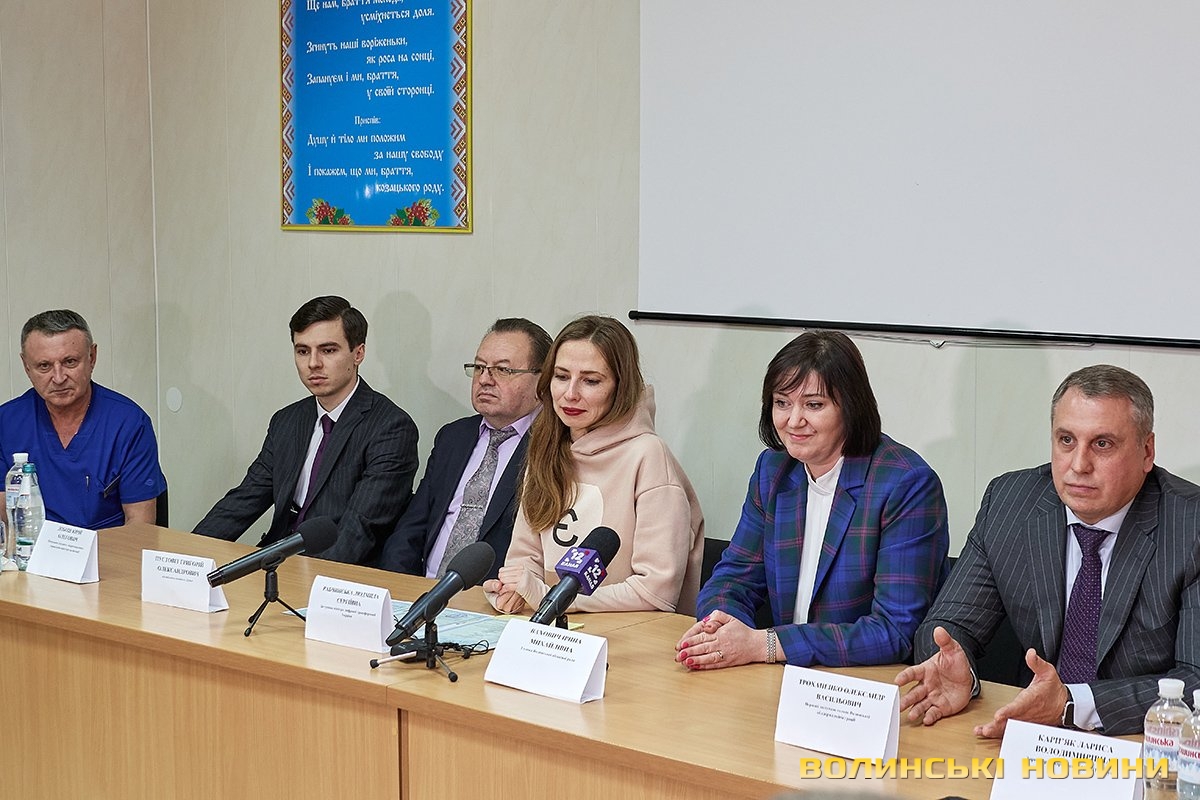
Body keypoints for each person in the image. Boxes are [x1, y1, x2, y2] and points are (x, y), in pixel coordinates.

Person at [896, 365, 1200, 737]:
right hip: (1030, 737)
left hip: (1142, 744)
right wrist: (958, 669)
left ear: (1146, 451)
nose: (1079, 465)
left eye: (1102, 444)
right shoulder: (1011, 503)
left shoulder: (1190, 526)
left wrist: (1073, 704)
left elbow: (1196, 679)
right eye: (1066, 440)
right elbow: (948, 626)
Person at [675, 331, 949, 670]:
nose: (793, 421)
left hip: (868, 683)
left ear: (851, 407)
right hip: (787, 675)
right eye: (782, 403)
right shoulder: (773, 470)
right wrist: (722, 627)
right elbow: (734, 579)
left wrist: (766, 644)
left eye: (814, 405)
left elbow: (894, 631)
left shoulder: (905, 484)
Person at [483, 315, 705, 614]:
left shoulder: (648, 455)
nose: (570, 394)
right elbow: (525, 558)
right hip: (551, 627)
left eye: (591, 381)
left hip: (627, 633)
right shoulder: (546, 446)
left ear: (620, 387)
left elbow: (656, 592)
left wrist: (557, 599)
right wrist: (515, 590)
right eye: (561, 376)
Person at [193, 296, 418, 565]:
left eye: (328, 350)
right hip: (276, 561)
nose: (313, 363)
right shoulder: (287, 421)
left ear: (358, 354)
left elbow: (358, 529)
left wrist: (305, 579)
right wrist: (188, 555)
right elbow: (244, 500)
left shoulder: (391, 427)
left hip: (340, 572)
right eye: (302, 351)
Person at [378, 318, 551, 580]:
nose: (484, 380)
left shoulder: (553, 447)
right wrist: (401, 587)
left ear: (542, 381)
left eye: (502, 370)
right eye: (479, 367)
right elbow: (411, 530)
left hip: (495, 596)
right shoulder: (453, 437)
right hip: (425, 591)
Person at [0, 309, 166, 529]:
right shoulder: (7, 423)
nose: (58, 378)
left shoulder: (129, 423)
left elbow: (140, 525)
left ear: (92, 357)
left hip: (107, 547)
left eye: (70, 362)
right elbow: (6, 521)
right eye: (44, 366)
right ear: (26, 366)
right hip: (31, 548)